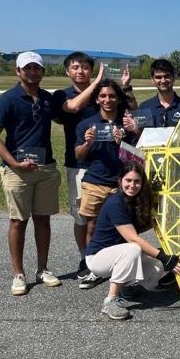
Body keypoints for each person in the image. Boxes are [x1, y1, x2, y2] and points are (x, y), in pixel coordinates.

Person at [53, 51, 136, 280]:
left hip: (110, 168)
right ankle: (86, 258)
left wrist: (125, 87)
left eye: (85, 68)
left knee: (114, 217)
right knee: (84, 218)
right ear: (67, 71)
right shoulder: (64, 94)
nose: (80, 72)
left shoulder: (106, 99)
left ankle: (113, 258)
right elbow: (72, 107)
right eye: (75, 68)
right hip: (81, 166)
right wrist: (96, 84)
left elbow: (131, 109)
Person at [0, 51, 62, 295]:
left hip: (45, 167)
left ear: (42, 71)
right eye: (27, 68)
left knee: (43, 219)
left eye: (36, 68)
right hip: (17, 170)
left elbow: (70, 111)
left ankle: (43, 268)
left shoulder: (47, 99)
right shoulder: (7, 99)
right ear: (17, 71)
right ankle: (18, 274)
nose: (32, 72)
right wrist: (13, 163)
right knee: (18, 221)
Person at [85, 162, 180, 320]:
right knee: (134, 249)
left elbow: (140, 228)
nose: (132, 185)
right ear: (120, 181)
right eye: (128, 180)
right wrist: (165, 258)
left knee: (157, 268)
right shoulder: (115, 202)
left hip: (118, 254)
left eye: (137, 181)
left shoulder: (134, 201)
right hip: (97, 258)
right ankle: (110, 302)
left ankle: (127, 287)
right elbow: (133, 238)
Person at [75, 79, 139, 289]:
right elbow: (78, 155)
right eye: (103, 96)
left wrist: (123, 142)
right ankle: (92, 266)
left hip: (122, 184)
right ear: (97, 99)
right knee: (92, 225)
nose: (107, 100)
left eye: (112, 96)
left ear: (118, 98)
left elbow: (136, 157)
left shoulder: (126, 124)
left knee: (124, 227)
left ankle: (123, 268)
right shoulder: (87, 125)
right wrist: (87, 143)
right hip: (95, 181)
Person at [126, 59, 180, 133]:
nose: (163, 80)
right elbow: (140, 137)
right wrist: (126, 86)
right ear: (152, 80)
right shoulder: (144, 107)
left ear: (173, 77)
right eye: (158, 77)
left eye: (166, 76)